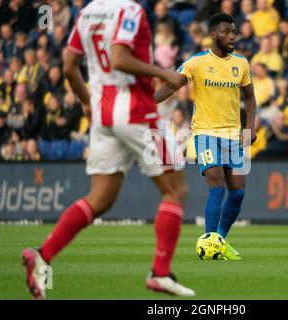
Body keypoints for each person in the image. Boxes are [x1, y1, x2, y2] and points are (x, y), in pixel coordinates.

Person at [21, 0, 195, 299]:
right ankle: (160, 272)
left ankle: (43, 254)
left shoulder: (87, 13)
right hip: (136, 112)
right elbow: (119, 58)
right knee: (175, 190)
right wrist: (163, 74)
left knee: (100, 198)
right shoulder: (131, 11)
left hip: (104, 115)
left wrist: (87, 102)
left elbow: (68, 65)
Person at [155, 13, 257, 260]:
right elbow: (172, 85)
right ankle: (210, 243)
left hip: (234, 134)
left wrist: (250, 126)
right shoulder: (196, 62)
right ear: (213, 35)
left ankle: (219, 240)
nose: (232, 36)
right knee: (217, 183)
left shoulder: (241, 63)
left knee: (238, 192)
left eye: (233, 31)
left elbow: (250, 98)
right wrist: (148, 104)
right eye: (226, 32)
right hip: (205, 133)